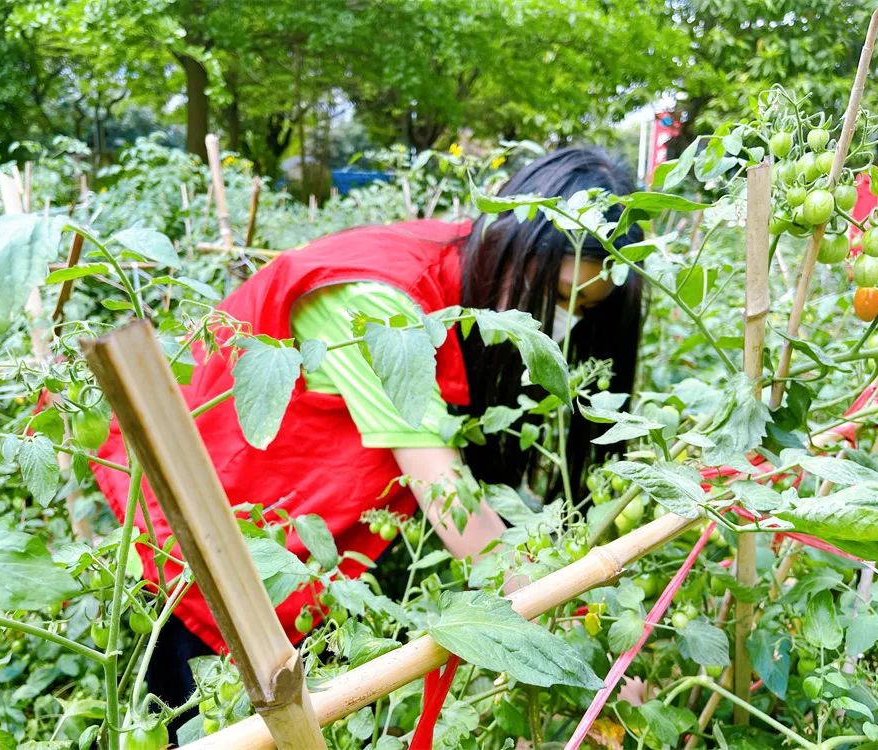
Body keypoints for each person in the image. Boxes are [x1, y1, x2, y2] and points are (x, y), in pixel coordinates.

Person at [91, 145, 644, 725]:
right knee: (205, 710)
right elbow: (456, 511)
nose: (567, 319)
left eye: (585, 305)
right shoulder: (386, 303)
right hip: (207, 496)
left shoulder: (467, 262)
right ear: (515, 242)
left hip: (288, 507)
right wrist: (591, 662)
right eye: (560, 297)